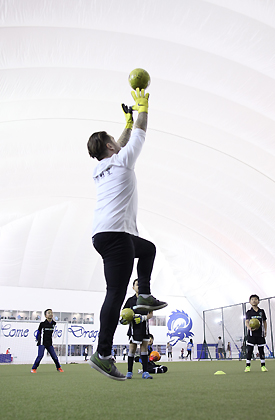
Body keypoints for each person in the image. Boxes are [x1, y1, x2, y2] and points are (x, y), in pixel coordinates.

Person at [87, 88, 167, 381]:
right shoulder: (122, 160)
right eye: (113, 142)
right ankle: (104, 354)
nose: (116, 144)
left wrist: (126, 123)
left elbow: (118, 143)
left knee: (147, 249)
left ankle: (144, 294)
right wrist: (142, 109)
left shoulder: (100, 167)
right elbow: (139, 135)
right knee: (115, 294)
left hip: (104, 235)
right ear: (110, 146)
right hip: (117, 236)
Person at [122, 279, 153, 379]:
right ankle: (129, 372)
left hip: (144, 327)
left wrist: (143, 318)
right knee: (132, 349)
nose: (139, 286)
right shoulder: (130, 300)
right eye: (137, 284)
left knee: (144, 349)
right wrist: (124, 320)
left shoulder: (147, 300)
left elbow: (151, 314)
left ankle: (145, 372)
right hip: (133, 328)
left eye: (140, 284)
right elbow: (124, 313)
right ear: (133, 287)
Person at [31, 309, 64, 373]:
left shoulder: (54, 323)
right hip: (42, 343)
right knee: (40, 356)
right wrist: (37, 339)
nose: (51, 314)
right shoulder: (42, 324)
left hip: (49, 343)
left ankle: (59, 367)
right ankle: (34, 368)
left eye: (51, 313)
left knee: (54, 357)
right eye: (48, 313)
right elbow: (38, 332)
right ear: (45, 316)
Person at [244, 294, 268, 372]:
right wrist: (249, 328)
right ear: (250, 302)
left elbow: (264, 321)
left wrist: (265, 330)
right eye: (252, 299)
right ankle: (248, 366)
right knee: (250, 351)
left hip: (260, 334)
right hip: (252, 335)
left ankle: (263, 366)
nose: (254, 300)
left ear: (258, 301)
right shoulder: (249, 312)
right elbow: (247, 322)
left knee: (261, 350)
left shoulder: (261, 311)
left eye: (255, 299)